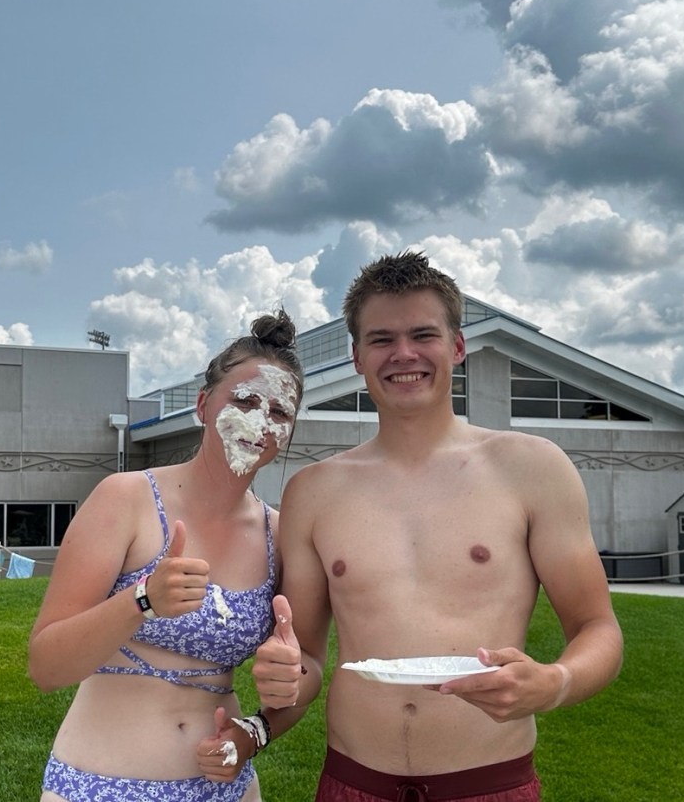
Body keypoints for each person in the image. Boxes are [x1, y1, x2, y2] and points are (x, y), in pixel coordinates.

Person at [252, 252, 623, 802]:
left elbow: (598, 628)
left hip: (489, 782)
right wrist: (286, 676)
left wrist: (554, 683)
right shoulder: (313, 491)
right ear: (357, 357)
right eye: (381, 339)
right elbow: (306, 657)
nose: (403, 354)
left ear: (457, 346)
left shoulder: (532, 469)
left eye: (423, 334)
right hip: (354, 781)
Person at [28, 309, 304, 802]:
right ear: (203, 405)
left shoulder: (278, 534)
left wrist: (259, 723)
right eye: (244, 400)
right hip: (100, 785)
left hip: (226, 790)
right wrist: (142, 600)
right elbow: (46, 667)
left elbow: (301, 676)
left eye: (280, 412)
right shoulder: (125, 498)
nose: (261, 421)